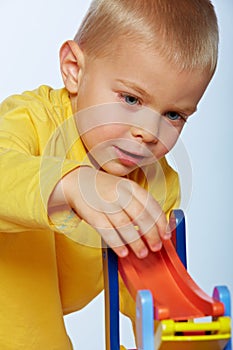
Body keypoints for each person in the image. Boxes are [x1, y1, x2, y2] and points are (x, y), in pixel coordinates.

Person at [0, 0, 219, 348]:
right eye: (131, 100)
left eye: (174, 115)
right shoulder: (31, 120)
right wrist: (71, 182)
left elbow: (148, 300)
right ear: (74, 69)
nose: (149, 132)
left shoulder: (153, 184)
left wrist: (187, 336)